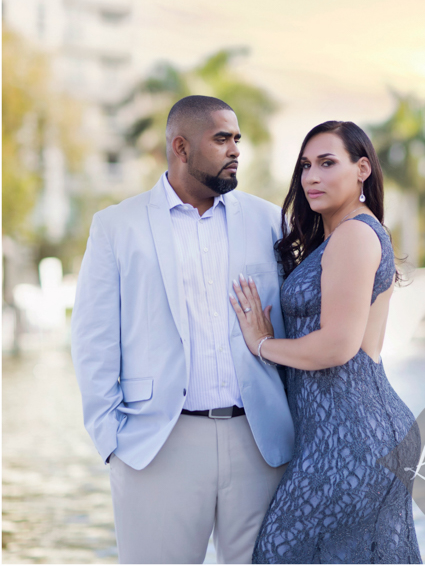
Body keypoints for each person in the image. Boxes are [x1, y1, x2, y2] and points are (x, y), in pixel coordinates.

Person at [70, 96, 295, 563]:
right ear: (181, 147)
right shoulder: (116, 226)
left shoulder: (269, 220)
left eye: (237, 139)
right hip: (157, 444)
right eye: (221, 139)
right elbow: (93, 341)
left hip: (258, 440)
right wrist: (113, 443)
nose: (235, 149)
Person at [231, 120, 422, 564]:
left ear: (362, 170)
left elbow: (338, 346)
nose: (311, 177)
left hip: (355, 439)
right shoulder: (344, 234)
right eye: (305, 166)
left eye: (327, 163)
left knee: (278, 554)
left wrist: (261, 344)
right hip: (346, 435)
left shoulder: (354, 235)